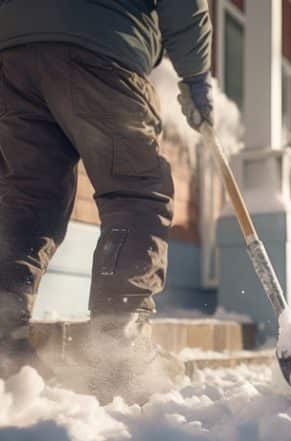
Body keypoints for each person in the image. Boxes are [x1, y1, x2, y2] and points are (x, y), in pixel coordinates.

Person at [0, 1, 215, 399]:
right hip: (103, 47)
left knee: (27, 201)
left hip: (13, 55)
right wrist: (196, 74)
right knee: (136, 192)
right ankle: (118, 347)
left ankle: (3, 344)